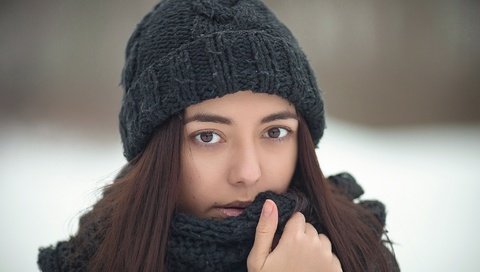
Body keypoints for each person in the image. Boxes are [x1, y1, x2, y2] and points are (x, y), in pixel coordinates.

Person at [37, 0, 399, 271]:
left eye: (275, 132)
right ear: (154, 149)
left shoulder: (355, 253)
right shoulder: (94, 260)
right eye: (208, 136)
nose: (247, 173)